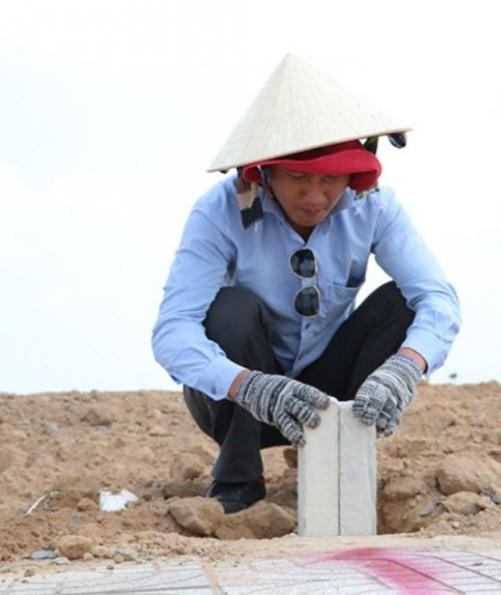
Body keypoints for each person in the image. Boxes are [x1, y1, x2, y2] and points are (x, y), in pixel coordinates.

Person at [152, 54, 461, 514]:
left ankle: (343, 456)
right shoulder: (218, 212)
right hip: (239, 399)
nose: (315, 197)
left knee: (403, 303)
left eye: (332, 179)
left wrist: (405, 366)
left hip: (328, 387)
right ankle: (240, 477)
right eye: (297, 177)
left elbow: (437, 298)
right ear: (263, 172)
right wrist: (253, 387)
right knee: (230, 309)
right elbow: (172, 332)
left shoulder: (375, 207)